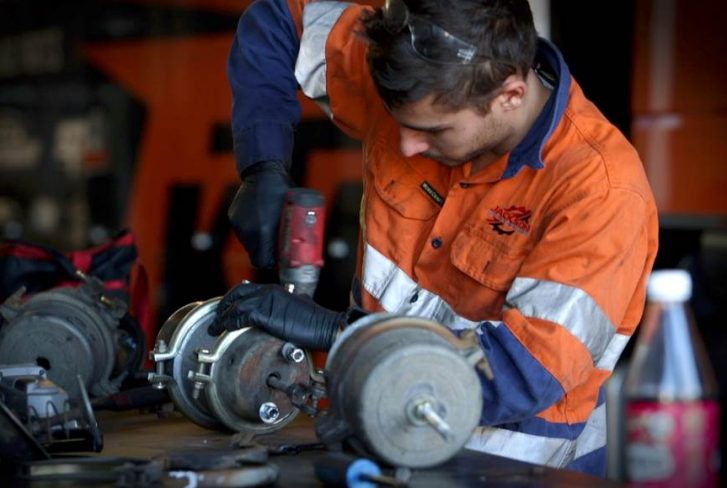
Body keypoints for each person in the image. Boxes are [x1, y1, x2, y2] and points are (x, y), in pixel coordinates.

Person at [211, 0, 659, 476]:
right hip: (371, 439)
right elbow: (280, 19)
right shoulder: (417, 85)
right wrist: (263, 167)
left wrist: (337, 332)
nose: (406, 145)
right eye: (398, 121)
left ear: (510, 94)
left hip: (509, 466)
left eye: (433, 131)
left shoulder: (601, 191)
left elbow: (525, 372)